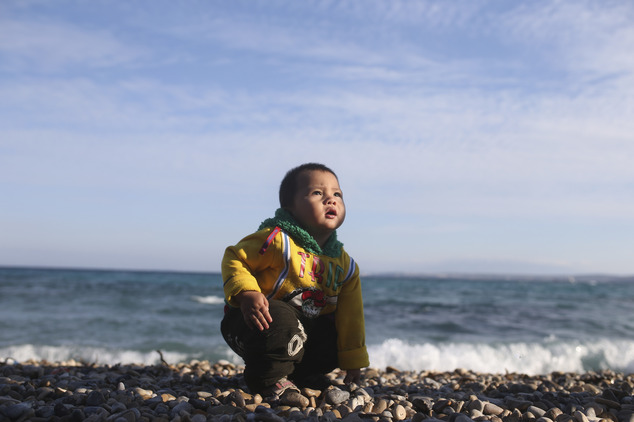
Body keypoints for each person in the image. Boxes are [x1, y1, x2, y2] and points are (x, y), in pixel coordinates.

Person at [221, 163, 369, 396]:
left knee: (333, 335)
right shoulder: (277, 240)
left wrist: (353, 358)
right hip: (252, 324)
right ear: (290, 206)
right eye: (318, 193)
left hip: (302, 332)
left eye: (337, 194)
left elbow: (351, 317)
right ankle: (267, 378)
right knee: (280, 317)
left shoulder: (345, 266)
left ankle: (302, 375)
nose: (330, 200)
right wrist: (246, 293)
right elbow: (235, 257)